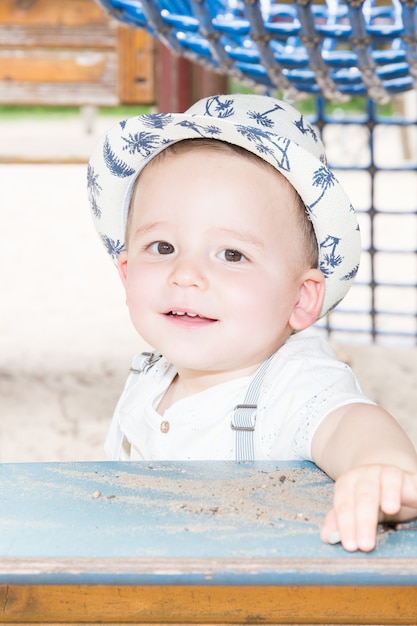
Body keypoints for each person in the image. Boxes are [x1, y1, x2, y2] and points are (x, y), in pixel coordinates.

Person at [87, 93, 417, 553]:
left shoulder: (292, 386)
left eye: (232, 254)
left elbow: (351, 423)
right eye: (162, 247)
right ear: (125, 272)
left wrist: (380, 469)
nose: (185, 274)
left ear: (300, 298)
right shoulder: (150, 376)